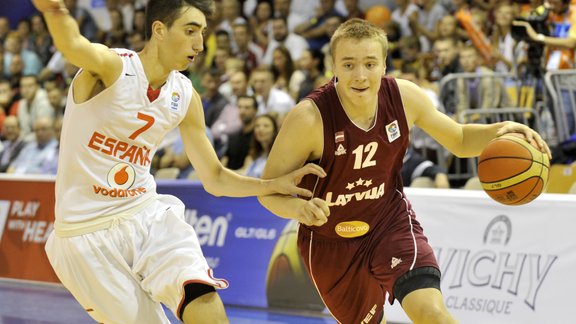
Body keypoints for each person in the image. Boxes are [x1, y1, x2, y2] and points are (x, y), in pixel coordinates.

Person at [32, 0, 325, 323]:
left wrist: (272, 185)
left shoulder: (184, 96)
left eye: (202, 33)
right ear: (159, 30)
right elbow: (73, 45)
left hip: (145, 214)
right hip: (84, 233)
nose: (199, 45)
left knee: (201, 292)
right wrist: (55, 12)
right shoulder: (113, 68)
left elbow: (213, 177)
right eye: (190, 31)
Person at [258, 18, 551, 324]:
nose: (360, 75)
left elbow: (461, 139)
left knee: (433, 314)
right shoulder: (309, 118)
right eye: (348, 65)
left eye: (370, 64)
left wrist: (500, 130)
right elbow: (267, 191)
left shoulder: (403, 96)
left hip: (389, 223)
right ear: (333, 66)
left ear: (384, 65)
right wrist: (300, 208)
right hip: (331, 241)